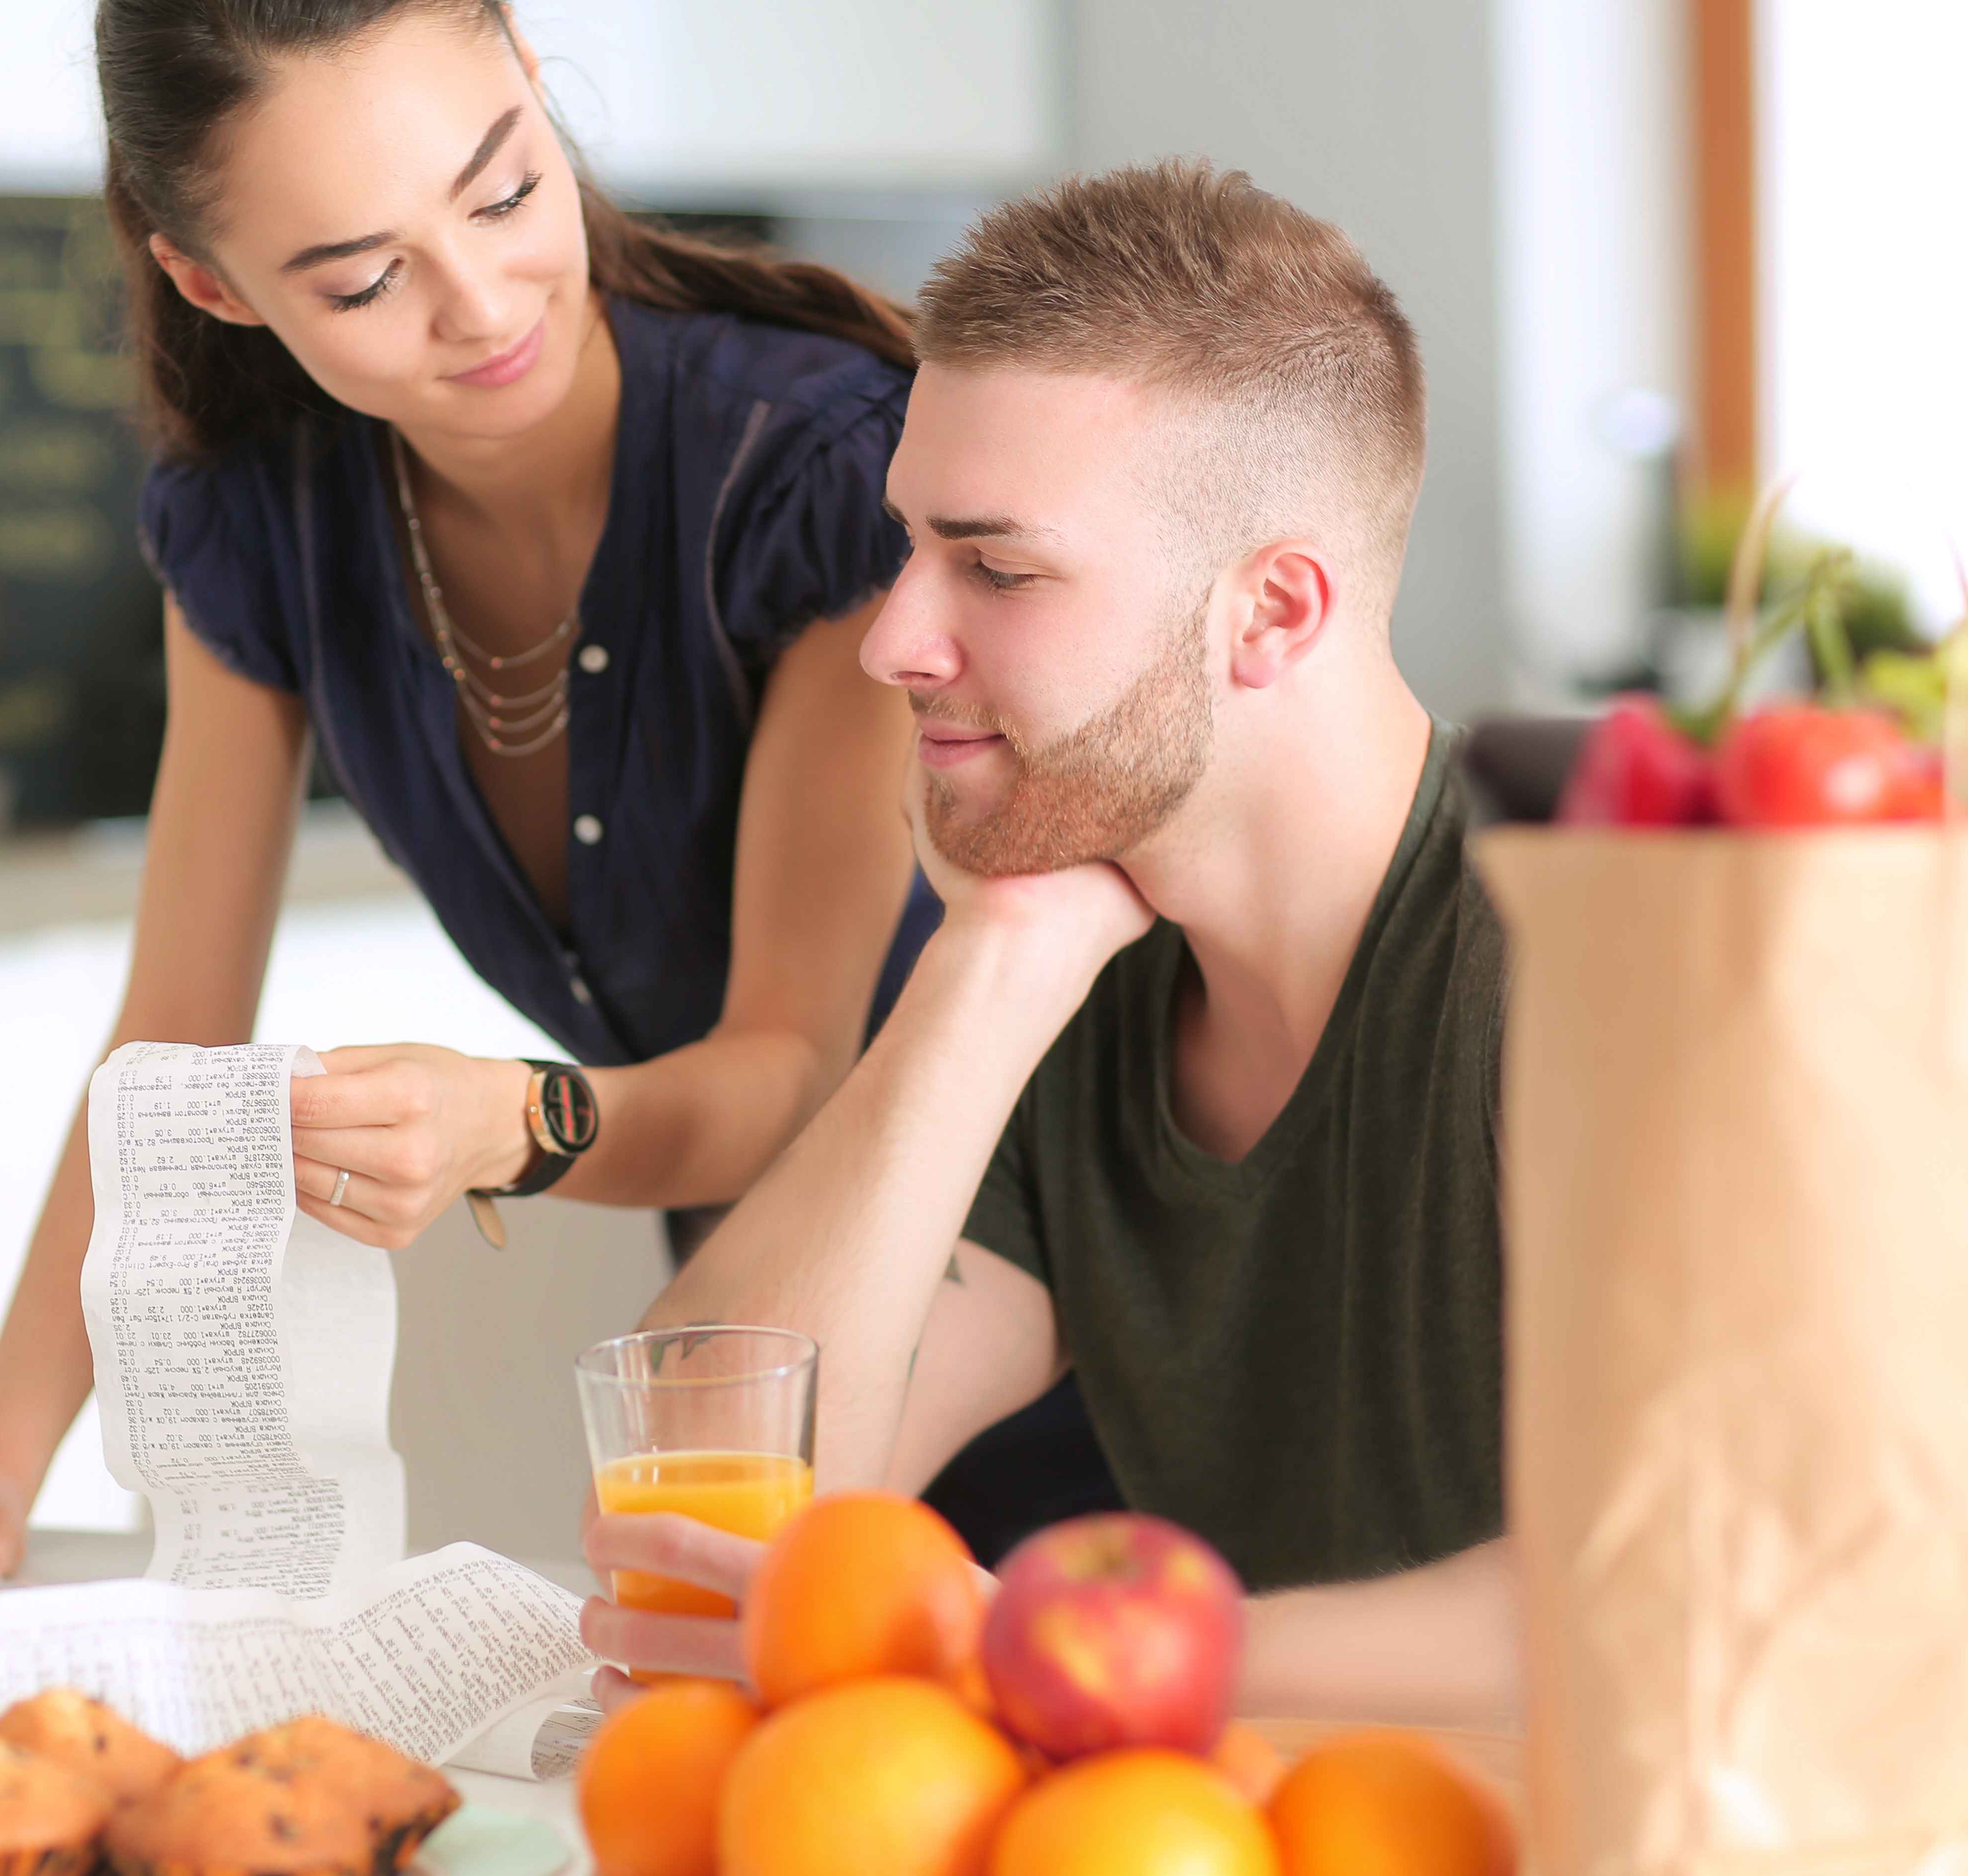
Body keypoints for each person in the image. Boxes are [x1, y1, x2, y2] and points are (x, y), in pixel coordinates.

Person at [0, 0, 1130, 1572]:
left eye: (508, 191)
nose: (482, 304)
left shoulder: (816, 471)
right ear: (211, 285)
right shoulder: (260, 526)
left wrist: (514, 1122)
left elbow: (791, 1069)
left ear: (533, 75)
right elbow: (167, 1042)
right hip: (765, 1359)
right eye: (368, 278)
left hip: (1075, 1319)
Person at [585, 160, 1519, 1723]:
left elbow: (1694, 1594)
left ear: (1272, 614)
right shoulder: (1087, 965)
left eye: (998, 569)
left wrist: (1025, 1640)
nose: (892, 640)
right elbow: (689, 1510)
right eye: (908, 549)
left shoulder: (1589, 947)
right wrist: (985, 965)